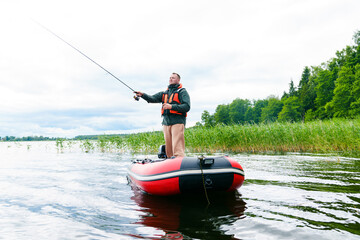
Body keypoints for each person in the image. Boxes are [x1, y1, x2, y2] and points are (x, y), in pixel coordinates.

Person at [134, 73, 190, 158]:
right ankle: (170, 163)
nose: (171, 79)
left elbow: (187, 106)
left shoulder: (182, 92)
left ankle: (180, 160)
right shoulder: (164, 93)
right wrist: (142, 95)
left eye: (173, 78)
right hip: (166, 123)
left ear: (178, 80)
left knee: (177, 147)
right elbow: (152, 98)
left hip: (178, 122)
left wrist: (171, 106)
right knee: (168, 149)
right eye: (170, 78)